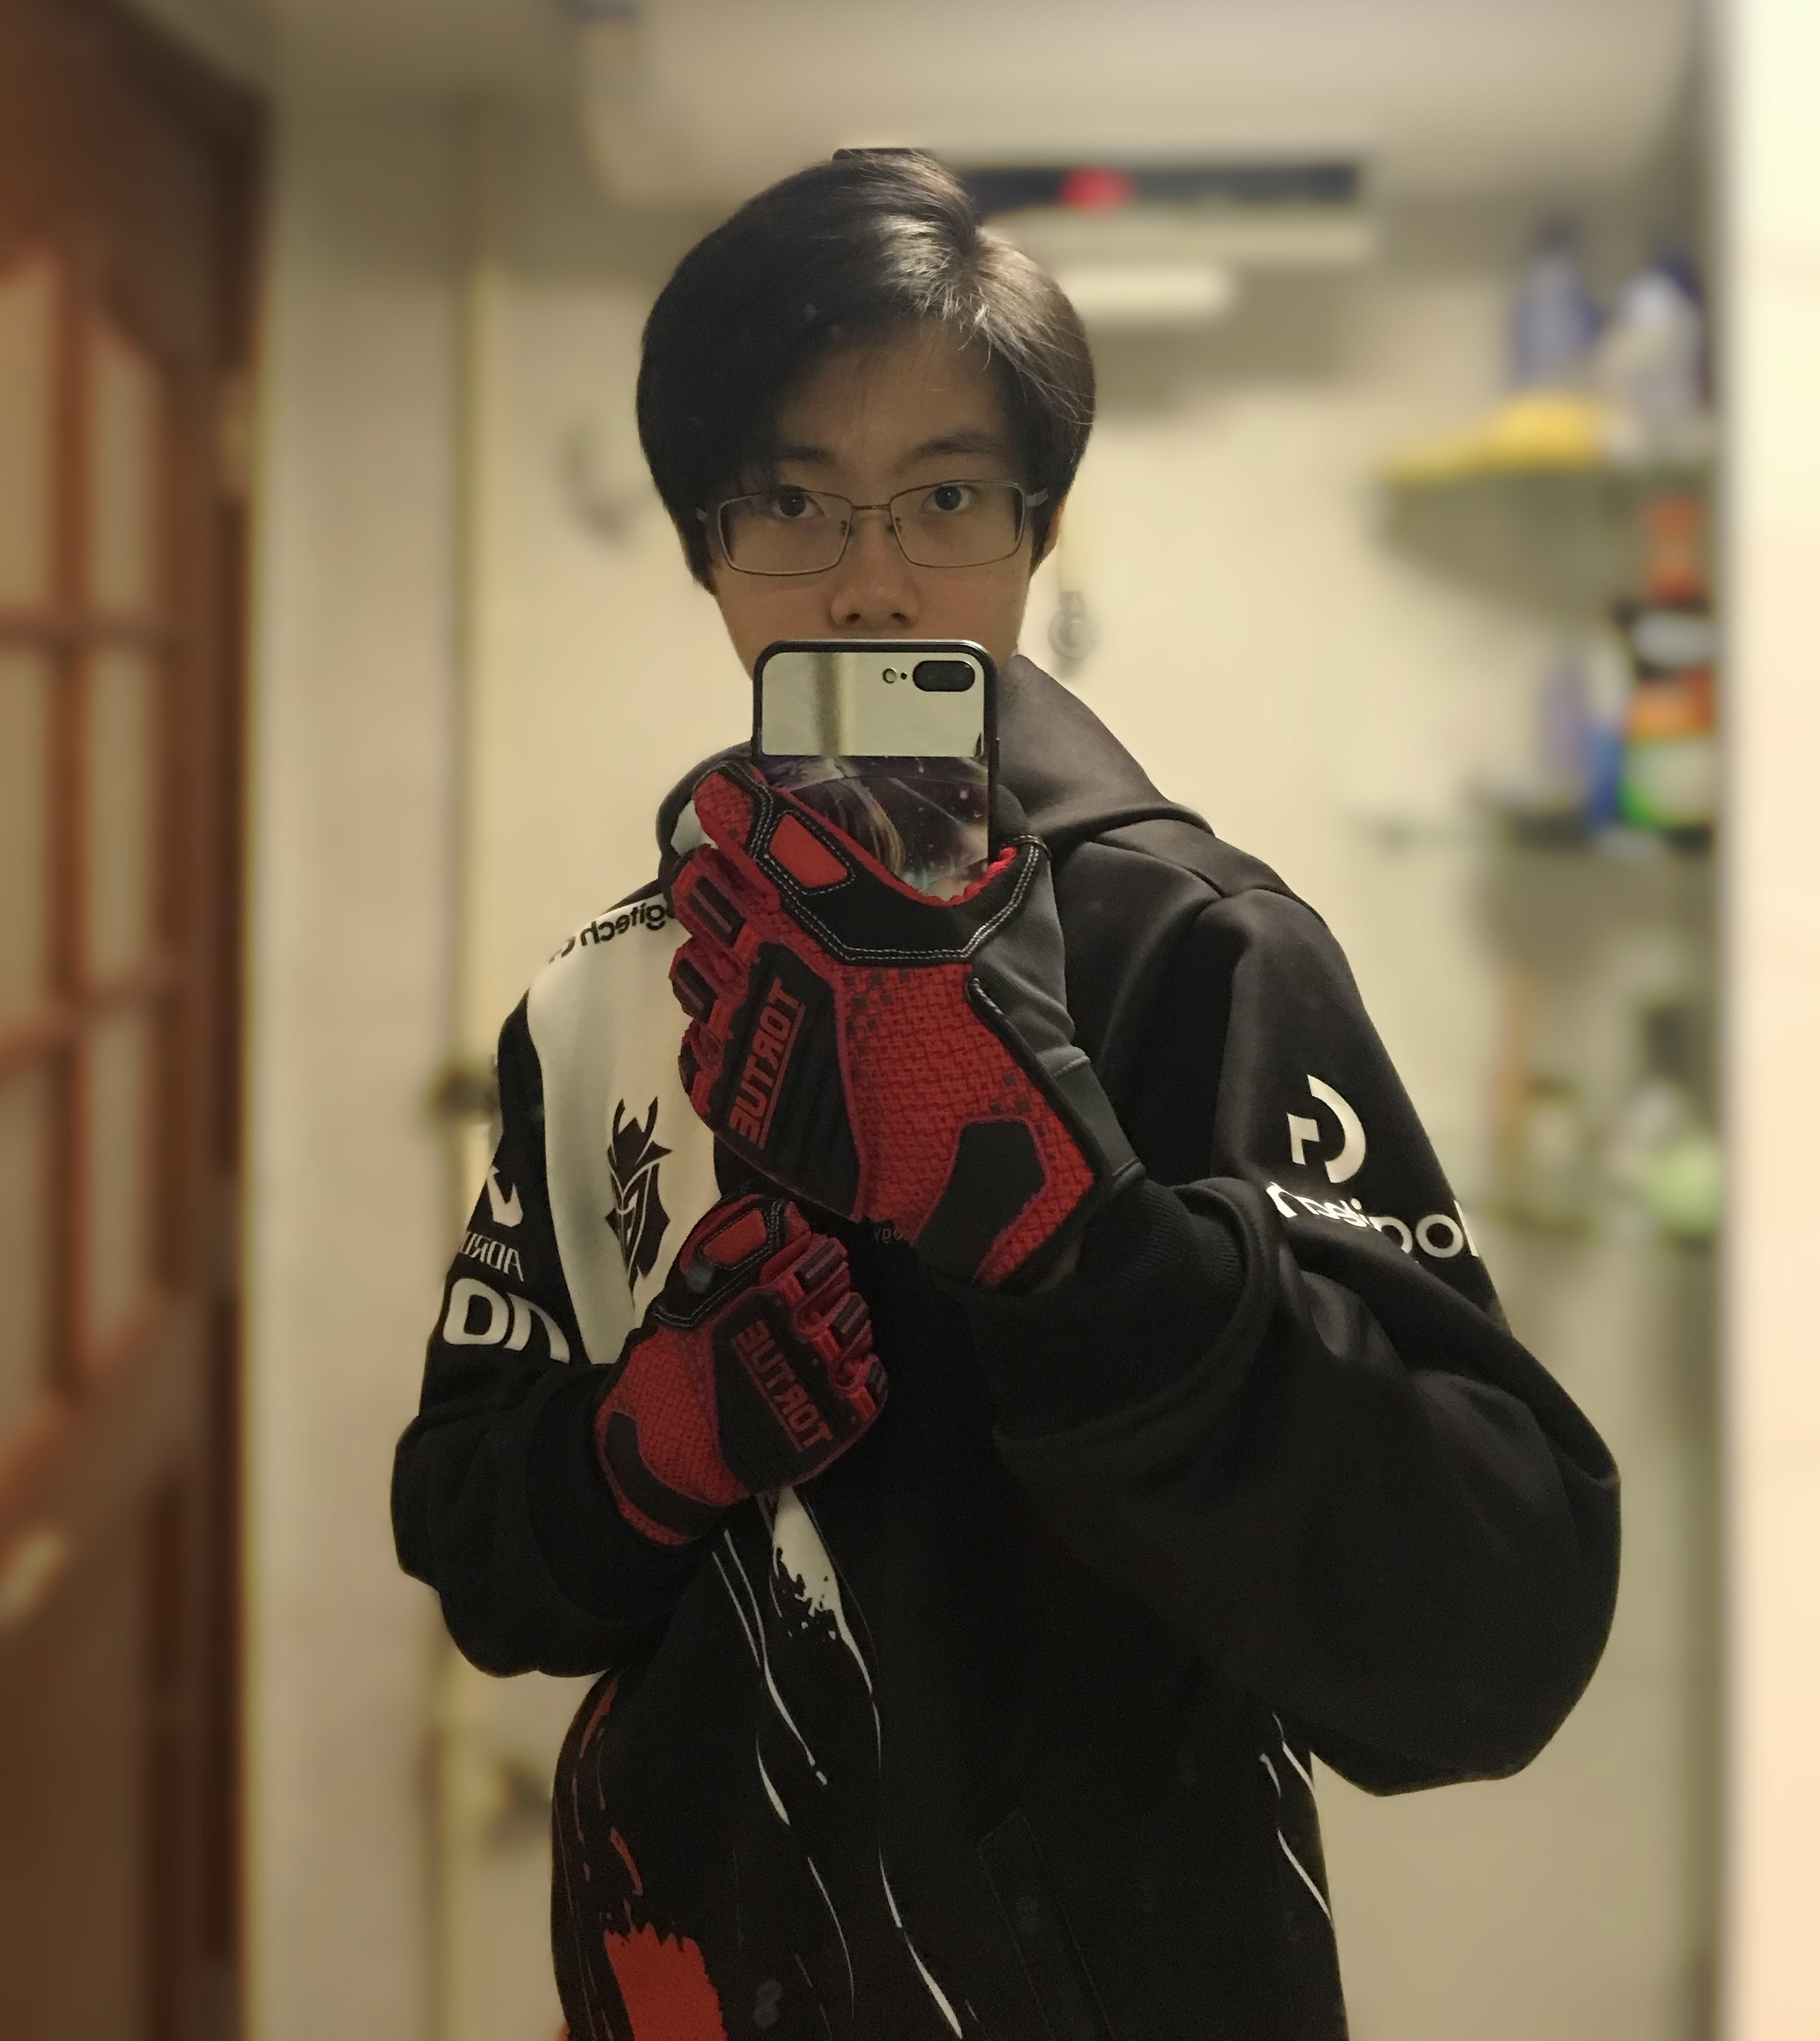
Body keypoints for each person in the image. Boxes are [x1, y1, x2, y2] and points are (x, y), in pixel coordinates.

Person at [393, 151, 1619, 2041]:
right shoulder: (597, 997)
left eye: (946, 498)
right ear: (707, 544)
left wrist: (1082, 1254)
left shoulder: (1195, 950)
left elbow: (1487, 1632)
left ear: (1037, 532)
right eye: (792, 502)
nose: (872, 583)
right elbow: (481, 1548)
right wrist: (653, 1443)